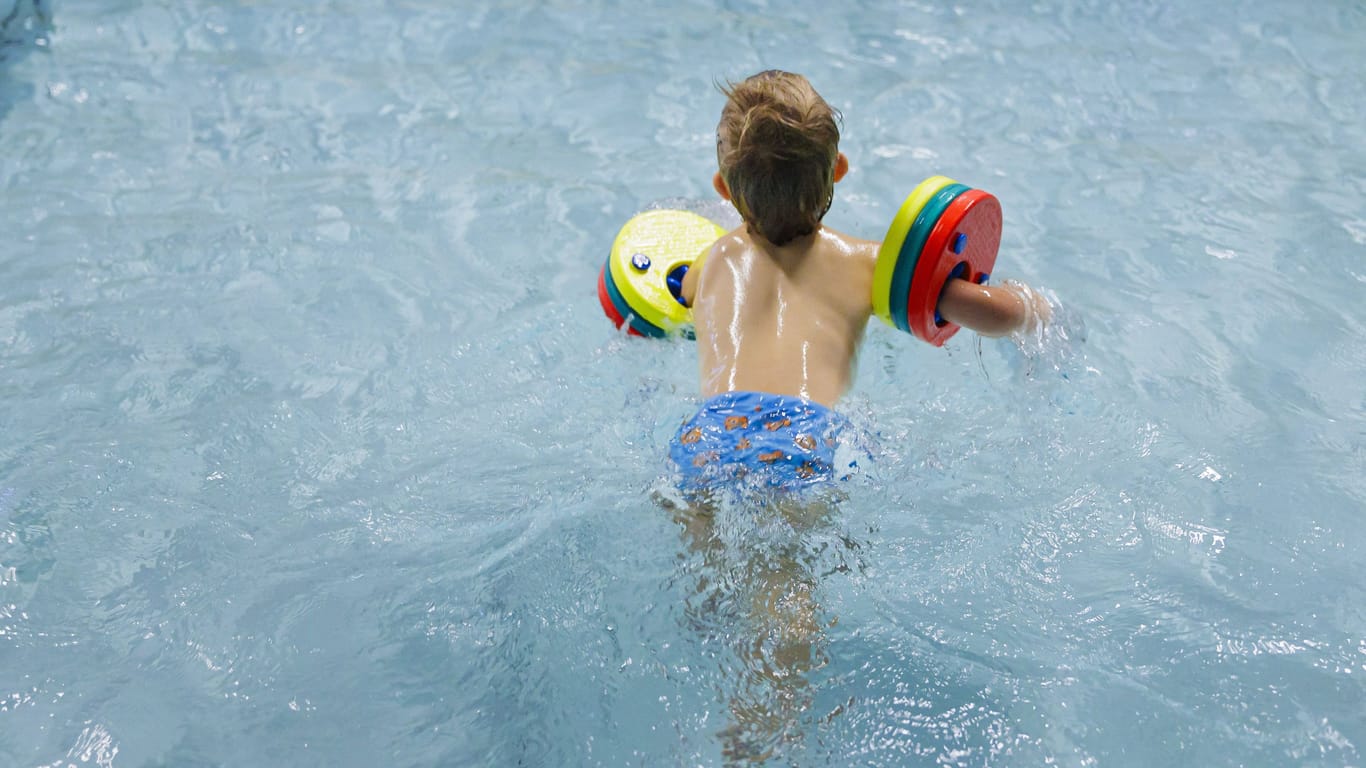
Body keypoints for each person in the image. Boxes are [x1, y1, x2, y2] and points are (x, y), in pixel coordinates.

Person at [670, 69, 1051, 489]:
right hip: (804, 432)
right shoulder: (868, 264)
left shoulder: (711, 262)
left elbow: (670, 305)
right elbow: (993, 314)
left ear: (723, 189)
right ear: (839, 169)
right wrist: (1028, 305)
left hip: (711, 432)